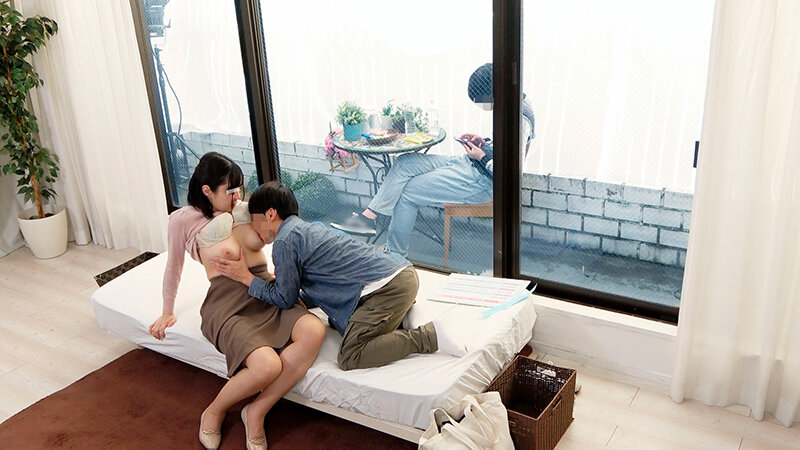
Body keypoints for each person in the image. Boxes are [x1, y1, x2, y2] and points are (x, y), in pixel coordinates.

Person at [148, 152, 325, 450]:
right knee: (266, 366)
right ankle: (214, 411)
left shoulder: (246, 208)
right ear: (207, 190)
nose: (237, 196)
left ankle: (256, 411)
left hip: (264, 289)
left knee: (314, 329)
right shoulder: (182, 220)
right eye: (230, 191)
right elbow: (173, 266)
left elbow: (284, 237)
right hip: (228, 303)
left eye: (240, 189)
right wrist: (167, 311)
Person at [209, 181, 470, 371]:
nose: (254, 228)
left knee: (350, 355)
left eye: (255, 220)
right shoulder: (308, 229)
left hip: (388, 286)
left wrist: (246, 278)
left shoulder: (285, 241)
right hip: (400, 274)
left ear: (270, 214)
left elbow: (285, 299)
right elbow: (323, 286)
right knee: (339, 323)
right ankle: (403, 317)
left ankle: (428, 336)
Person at [331, 63, 535, 256]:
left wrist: (481, 155)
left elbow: (509, 172)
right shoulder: (512, 102)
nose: (482, 106)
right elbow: (504, 149)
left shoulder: (519, 117)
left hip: (481, 181)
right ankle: (369, 218)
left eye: (480, 100)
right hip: (470, 164)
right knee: (404, 162)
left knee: (407, 193)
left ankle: (394, 255)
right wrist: (484, 143)